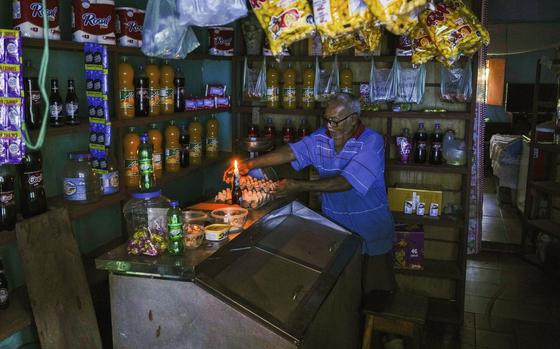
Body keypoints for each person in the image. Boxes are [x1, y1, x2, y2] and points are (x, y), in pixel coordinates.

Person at [224, 92, 396, 295]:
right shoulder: (321, 138)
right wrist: (250, 164)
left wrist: (299, 185)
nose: (330, 126)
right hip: (336, 229)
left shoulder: (371, 142)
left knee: (376, 292)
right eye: (327, 119)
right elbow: (290, 152)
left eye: (335, 121)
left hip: (370, 229)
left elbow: (345, 182)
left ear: (353, 119)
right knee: (343, 293)